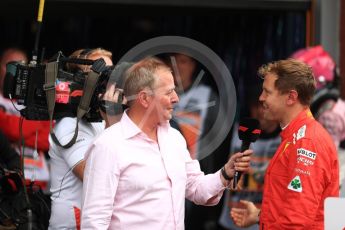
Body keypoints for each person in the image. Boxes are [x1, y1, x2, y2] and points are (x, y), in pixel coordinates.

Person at [81, 57, 252, 229]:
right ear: (145, 98)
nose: (176, 98)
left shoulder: (174, 138)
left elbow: (195, 187)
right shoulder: (109, 145)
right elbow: (94, 221)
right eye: (169, 92)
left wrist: (225, 174)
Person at [230, 59, 339, 229]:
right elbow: (298, 208)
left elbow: (297, 221)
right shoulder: (297, 136)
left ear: (291, 97)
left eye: (267, 92)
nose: (261, 98)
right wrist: (261, 215)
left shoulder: (306, 142)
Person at [48, 48, 124, 229]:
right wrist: (113, 123)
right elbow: (93, 176)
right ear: (79, 81)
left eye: (112, 73)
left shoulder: (102, 119)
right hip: (74, 222)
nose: (109, 82)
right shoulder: (68, 125)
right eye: (101, 74)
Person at [218, 87, 281, 230]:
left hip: (264, 224)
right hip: (229, 222)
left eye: (264, 106)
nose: (260, 111)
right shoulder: (235, 134)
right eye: (256, 105)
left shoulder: (285, 140)